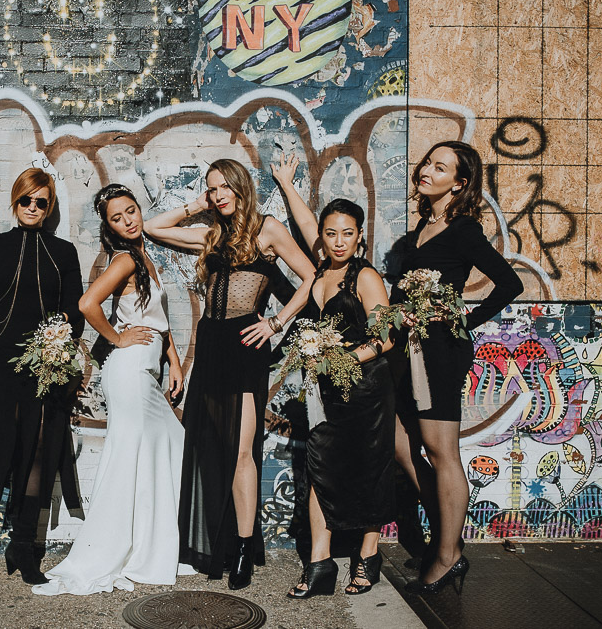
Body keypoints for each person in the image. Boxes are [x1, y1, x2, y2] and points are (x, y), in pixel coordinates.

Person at [144, 158, 316, 590]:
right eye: (212, 188)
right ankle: (214, 544)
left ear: (241, 186)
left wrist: (276, 324)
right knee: (209, 447)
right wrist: (195, 204)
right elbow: (153, 228)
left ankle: (241, 548)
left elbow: (312, 275)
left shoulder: (268, 229)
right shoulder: (211, 234)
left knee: (241, 452)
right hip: (212, 348)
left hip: (245, 348)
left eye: (224, 187)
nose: (219, 194)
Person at [33, 184, 190, 596]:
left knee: (170, 444)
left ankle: (152, 546)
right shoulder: (122, 260)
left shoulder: (144, 257)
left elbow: (159, 319)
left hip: (147, 371)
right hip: (130, 370)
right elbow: (88, 304)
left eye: (131, 211)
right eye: (117, 218)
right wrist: (117, 338)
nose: (128, 221)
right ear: (110, 227)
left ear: (140, 209)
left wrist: (173, 361)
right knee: (133, 457)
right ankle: (127, 551)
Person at [390, 141, 523, 594]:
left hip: (439, 352)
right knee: (404, 449)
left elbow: (510, 283)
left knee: (440, 451)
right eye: (428, 161)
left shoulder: (463, 230)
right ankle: (449, 535)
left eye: (439, 167)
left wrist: (462, 318)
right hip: (406, 352)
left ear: (459, 183)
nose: (426, 169)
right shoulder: (416, 234)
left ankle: (447, 556)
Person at [271, 167, 397, 598]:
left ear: (360, 236)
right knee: (320, 469)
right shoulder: (320, 271)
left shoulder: (364, 277)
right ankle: (320, 564)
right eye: (331, 233)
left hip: (366, 391)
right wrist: (287, 185)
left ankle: (367, 556)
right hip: (325, 393)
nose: (338, 240)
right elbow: (306, 223)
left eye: (348, 233)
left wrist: (342, 358)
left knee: (368, 471)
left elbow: (385, 337)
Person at [0, 168, 85, 585]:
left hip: (43, 367)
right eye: (26, 201)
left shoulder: (63, 252)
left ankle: (23, 544)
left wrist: (57, 336)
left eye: (41, 202)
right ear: (15, 203)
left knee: (36, 453)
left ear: (49, 208)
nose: (33, 208)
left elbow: (75, 310)